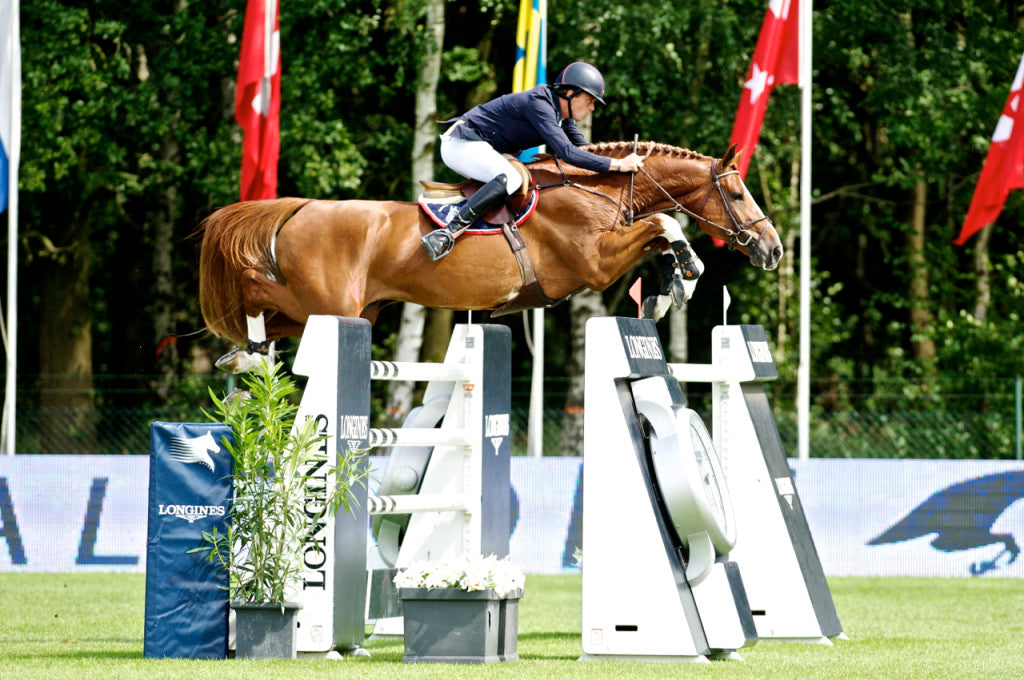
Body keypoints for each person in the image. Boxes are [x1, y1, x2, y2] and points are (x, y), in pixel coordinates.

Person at [421, 61, 646, 261]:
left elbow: (584, 149)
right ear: (569, 93)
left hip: (485, 147)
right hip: (461, 143)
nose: (592, 108)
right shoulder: (539, 104)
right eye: (589, 100)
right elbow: (567, 153)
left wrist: (618, 163)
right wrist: (617, 165)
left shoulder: (561, 115)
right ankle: (446, 234)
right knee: (510, 178)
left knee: (529, 178)